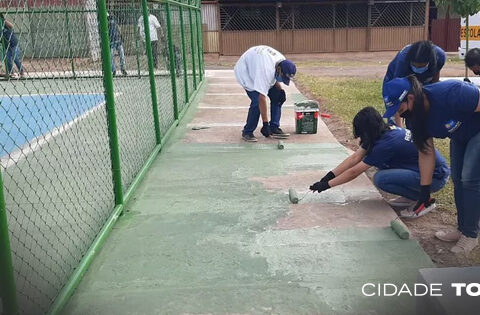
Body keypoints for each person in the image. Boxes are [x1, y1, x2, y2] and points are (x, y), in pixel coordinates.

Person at [383, 75, 480, 253]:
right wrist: (424, 189)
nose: (400, 114)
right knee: (458, 180)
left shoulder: (452, 92)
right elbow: (426, 152)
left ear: (411, 97)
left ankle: (471, 235)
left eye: (401, 108)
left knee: (470, 180)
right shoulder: (415, 119)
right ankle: (462, 229)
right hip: (459, 136)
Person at [309, 107, 449, 218]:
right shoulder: (381, 132)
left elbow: (354, 171)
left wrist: (326, 185)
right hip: (424, 171)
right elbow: (354, 158)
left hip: (436, 176)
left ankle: (423, 201)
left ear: (366, 129)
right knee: (383, 173)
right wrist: (329, 176)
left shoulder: (385, 144)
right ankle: (411, 197)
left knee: (381, 178)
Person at [234, 45, 296, 142]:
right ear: (279, 69)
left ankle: (274, 127)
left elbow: (274, 76)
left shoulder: (282, 61)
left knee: (278, 96)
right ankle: (247, 131)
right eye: (282, 77)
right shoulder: (265, 71)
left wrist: (281, 90)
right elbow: (261, 98)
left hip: (258, 63)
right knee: (256, 102)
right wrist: (265, 124)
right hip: (245, 72)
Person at [383, 40, 445, 125]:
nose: (417, 68)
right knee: (396, 121)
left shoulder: (439, 56)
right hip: (400, 82)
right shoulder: (402, 62)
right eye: (414, 65)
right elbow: (397, 100)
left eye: (421, 66)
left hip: (424, 81)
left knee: (418, 117)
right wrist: (400, 132)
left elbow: (435, 80)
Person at [1, 14, 25, 78]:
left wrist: (3, 20)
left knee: (15, 58)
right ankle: (11, 73)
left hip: (13, 44)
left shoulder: (5, 24)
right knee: (8, 59)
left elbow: (11, 26)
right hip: (6, 46)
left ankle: (21, 71)